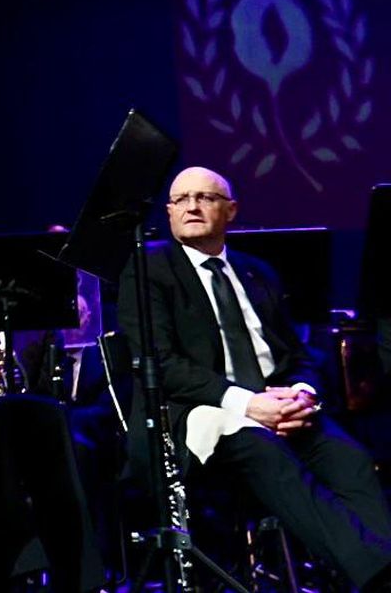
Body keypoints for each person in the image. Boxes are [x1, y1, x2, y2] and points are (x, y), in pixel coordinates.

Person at [118, 166, 391, 591]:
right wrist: (247, 404)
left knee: (349, 459)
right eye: (181, 199)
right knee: (266, 454)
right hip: (200, 412)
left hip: (277, 405)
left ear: (231, 210)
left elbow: (298, 354)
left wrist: (301, 393)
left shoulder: (257, 271)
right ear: (168, 212)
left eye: (205, 198)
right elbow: (163, 365)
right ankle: (377, 576)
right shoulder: (147, 269)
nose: (192, 206)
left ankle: (376, 566)